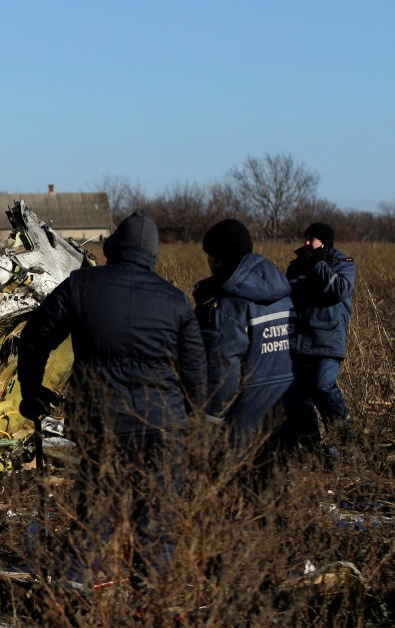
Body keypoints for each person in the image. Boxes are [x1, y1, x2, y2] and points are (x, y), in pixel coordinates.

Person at [17, 211, 207, 592]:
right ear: (152, 255)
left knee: (96, 511)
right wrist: (188, 418)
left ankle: (73, 588)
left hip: (102, 424)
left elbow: (35, 338)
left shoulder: (81, 286)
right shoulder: (175, 300)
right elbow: (197, 376)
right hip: (163, 427)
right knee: (157, 516)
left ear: (113, 247)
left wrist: (31, 392)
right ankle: (150, 597)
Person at [193, 219, 298, 448]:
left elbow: (222, 374)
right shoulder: (282, 294)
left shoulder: (228, 307)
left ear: (218, 258)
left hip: (244, 432)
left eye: (209, 255)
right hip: (287, 417)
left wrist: (208, 424)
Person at [285, 222, 356, 444]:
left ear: (324, 242)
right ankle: (311, 448)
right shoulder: (296, 266)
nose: (306, 243)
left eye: (311, 239)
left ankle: (346, 436)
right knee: (300, 395)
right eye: (305, 237)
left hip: (327, 339)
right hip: (299, 340)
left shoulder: (343, 265)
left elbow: (340, 290)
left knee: (322, 385)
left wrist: (318, 264)